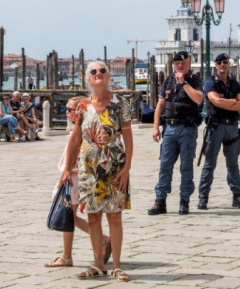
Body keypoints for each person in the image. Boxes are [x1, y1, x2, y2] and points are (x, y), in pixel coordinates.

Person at [61, 61, 133, 281]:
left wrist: (127, 168)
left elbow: (128, 139)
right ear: (89, 79)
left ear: (108, 76)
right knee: (92, 216)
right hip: (89, 166)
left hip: (114, 164)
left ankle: (117, 265)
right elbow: (75, 139)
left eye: (103, 71)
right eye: (94, 72)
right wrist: (66, 169)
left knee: (114, 215)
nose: (99, 74)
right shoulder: (82, 106)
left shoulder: (121, 103)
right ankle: (99, 263)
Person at [46, 96, 111, 269]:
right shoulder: (86, 129)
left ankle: (68, 255)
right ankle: (71, 253)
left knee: (68, 215)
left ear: (79, 112)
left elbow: (73, 157)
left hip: (72, 177)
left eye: (69, 110)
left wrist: (62, 178)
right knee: (69, 216)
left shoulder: (80, 131)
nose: (66, 113)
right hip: (76, 176)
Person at [149, 51, 203, 215]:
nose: (179, 66)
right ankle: (160, 201)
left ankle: (184, 201)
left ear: (188, 63)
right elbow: (160, 104)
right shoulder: (168, 80)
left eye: (183, 63)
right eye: (176, 63)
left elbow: (199, 99)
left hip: (187, 128)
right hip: (170, 128)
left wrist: (184, 83)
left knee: (186, 166)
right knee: (165, 164)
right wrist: (155, 126)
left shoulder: (195, 80)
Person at [197, 53, 240, 210]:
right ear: (215, 65)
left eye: (225, 62)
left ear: (229, 64)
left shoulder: (234, 83)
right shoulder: (210, 82)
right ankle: (203, 197)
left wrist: (228, 103)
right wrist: (233, 102)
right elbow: (215, 101)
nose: (222, 65)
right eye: (219, 62)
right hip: (216, 126)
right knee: (210, 163)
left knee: (233, 163)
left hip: (232, 126)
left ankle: (237, 196)